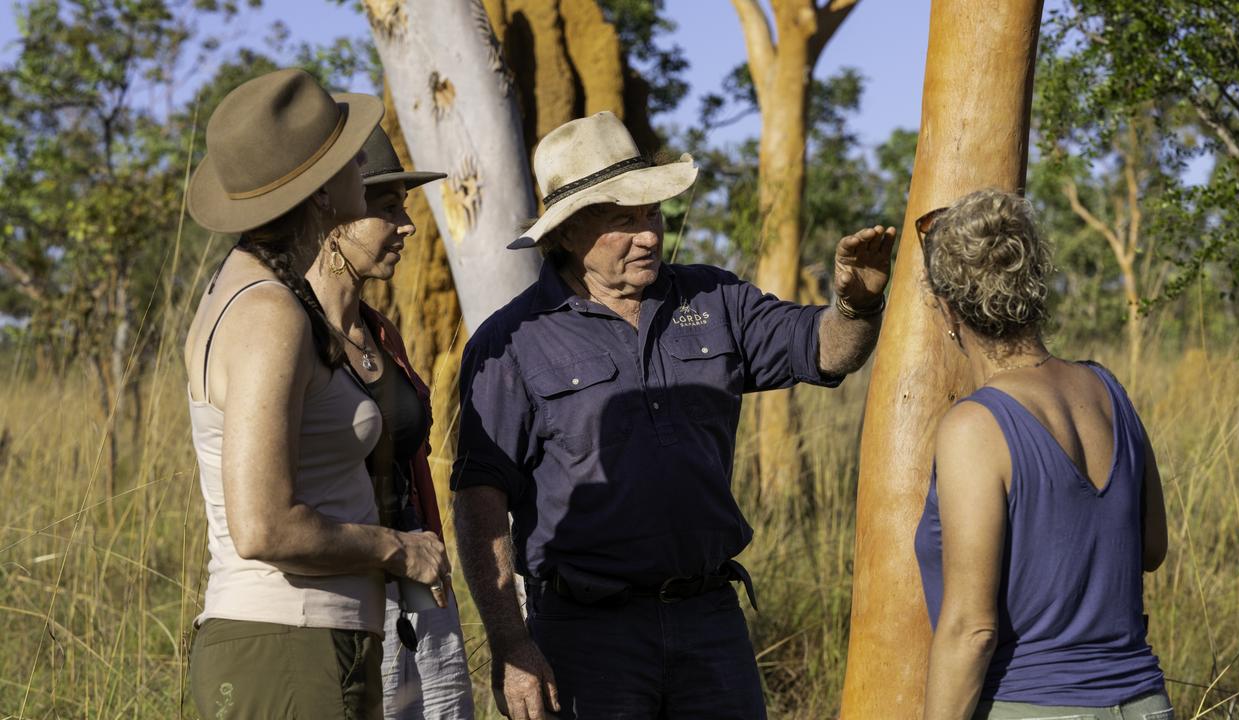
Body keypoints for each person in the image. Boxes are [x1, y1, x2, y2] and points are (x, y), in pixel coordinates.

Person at [451, 111, 896, 719]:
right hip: (584, 634)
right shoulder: (513, 342)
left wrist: (858, 301)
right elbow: (480, 508)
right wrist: (511, 642)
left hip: (709, 620)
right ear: (568, 231)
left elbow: (827, 348)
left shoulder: (713, 298)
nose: (650, 235)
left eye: (653, 214)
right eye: (623, 220)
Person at [183, 68, 449, 719]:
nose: (365, 163)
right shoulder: (268, 312)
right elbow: (264, 526)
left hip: (309, 643)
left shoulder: (266, 295)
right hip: (289, 644)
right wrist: (397, 547)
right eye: (351, 157)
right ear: (323, 192)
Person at [912, 189, 1172, 720]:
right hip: (1146, 703)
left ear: (948, 307)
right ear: (1035, 284)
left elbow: (972, 630)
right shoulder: (1108, 390)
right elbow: (1150, 548)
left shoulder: (974, 426)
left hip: (1031, 704)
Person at [306, 124, 476, 719]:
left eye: (404, 208)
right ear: (335, 216)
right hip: (336, 598)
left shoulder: (382, 334)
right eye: (385, 208)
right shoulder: (286, 332)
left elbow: (412, 468)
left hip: (417, 588)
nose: (406, 226)